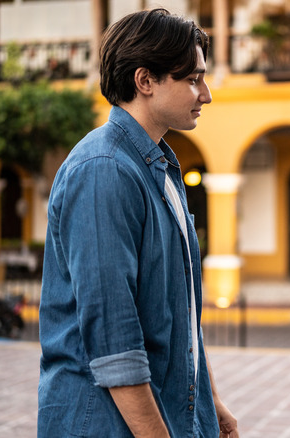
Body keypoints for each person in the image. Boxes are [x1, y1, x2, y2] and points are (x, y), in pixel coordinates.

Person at [38, 9, 238, 437]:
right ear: (145, 81)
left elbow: (179, 311)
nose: (205, 94)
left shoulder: (158, 165)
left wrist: (210, 399)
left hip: (166, 412)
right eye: (192, 79)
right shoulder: (104, 169)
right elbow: (114, 337)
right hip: (106, 424)